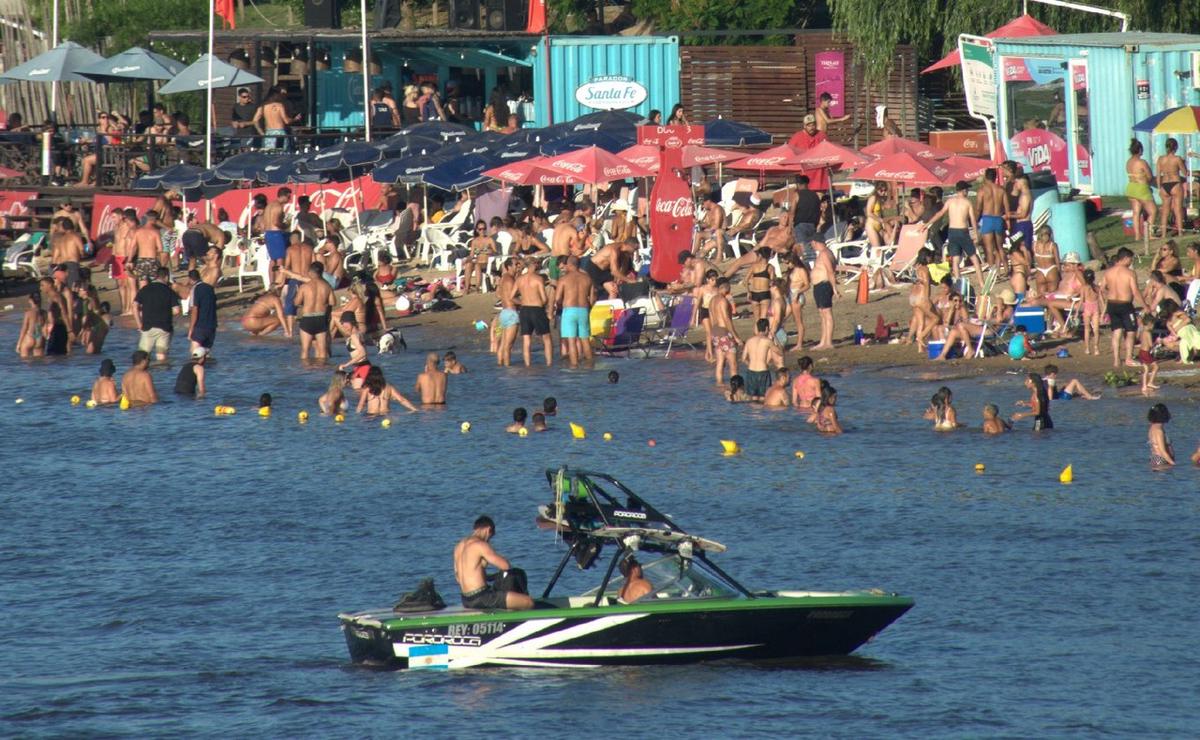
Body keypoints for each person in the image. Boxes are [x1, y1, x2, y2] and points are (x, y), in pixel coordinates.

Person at [454, 515, 534, 611]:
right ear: (488, 530)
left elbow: (458, 578)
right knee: (529, 602)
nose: (489, 539)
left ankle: (511, 604)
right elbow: (506, 566)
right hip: (482, 598)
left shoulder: (459, 547)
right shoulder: (480, 545)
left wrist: (489, 577)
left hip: (466, 599)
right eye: (491, 536)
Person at [924, 180, 983, 296]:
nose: (967, 192)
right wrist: (976, 234)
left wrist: (927, 224)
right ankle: (981, 283)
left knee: (955, 260)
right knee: (974, 257)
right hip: (963, 232)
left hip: (952, 232)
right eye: (966, 190)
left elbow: (940, 214)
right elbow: (972, 220)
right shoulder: (967, 202)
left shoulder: (950, 201)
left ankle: (958, 284)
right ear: (964, 190)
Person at [1104, 248, 1144, 369]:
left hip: (1112, 303)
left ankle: (1116, 360)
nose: (1131, 262)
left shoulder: (1108, 272)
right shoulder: (1129, 273)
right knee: (1131, 331)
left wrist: (1113, 291)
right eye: (1131, 259)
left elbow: (1102, 288)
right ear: (1126, 258)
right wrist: (1145, 305)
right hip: (1125, 305)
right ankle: (1128, 358)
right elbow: (1135, 292)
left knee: (1117, 332)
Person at [555, 256, 595, 367]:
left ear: (569, 264)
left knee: (571, 340)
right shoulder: (587, 278)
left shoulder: (563, 279)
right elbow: (592, 299)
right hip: (583, 310)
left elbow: (557, 298)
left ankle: (574, 366)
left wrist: (560, 306)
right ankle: (590, 365)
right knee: (585, 339)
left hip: (569, 310)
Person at [135, 266, 180, 362]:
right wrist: (165, 312)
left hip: (147, 326)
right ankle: (163, 375)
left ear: (156, 276)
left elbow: (134, 306)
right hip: (164, 327)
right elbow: (176, 310)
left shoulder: (145, 289)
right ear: (167, 277)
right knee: (161, 357)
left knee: (142, 356)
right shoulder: (169, 291)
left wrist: (139, 324)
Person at [514, 258, 553, 367]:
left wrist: (522, 302)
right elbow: (544, 298)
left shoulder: (519, 279)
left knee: (526, 339)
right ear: (534, 265)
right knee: (546, 338)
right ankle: (549, 363)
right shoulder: (538, 279)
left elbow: (512, 297)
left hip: (524, 309)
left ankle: (528, 365)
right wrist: (544, 304)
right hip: (537, 309)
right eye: (538, 263)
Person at [295, 262, 336, 361]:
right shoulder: (327, 286)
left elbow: (296, 302)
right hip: (321, 318)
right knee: (322, 350)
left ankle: (306, 373)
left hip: (307, 318)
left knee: (305, 350)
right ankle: (321, 373)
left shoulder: (304, 287)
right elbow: (333, 302)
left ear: (311, 272)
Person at [741, 319, 783, 401]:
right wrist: (775, 337)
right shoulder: (767, 341)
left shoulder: (749, 341)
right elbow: (780, 352)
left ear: (757, 328)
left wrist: (750, 364)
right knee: (763, 398)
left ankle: (753, 414)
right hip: (763, 372)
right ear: (767, 328)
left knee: (752, 399)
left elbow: (743, 359)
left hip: (751, 371)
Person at [710, 277, 741, 384]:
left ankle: (719, 385)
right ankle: (735, 387)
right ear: (726, 287)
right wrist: (736, 337)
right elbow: (727, 320)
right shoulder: (723, 301)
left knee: (720, 362)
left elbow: (711, 320)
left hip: (715, 332)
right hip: (724, 332)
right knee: (733, 364)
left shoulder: (712, 300)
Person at [1126, 139, 1157, 241]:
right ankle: (1149, 234)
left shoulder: (1129, 162)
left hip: (1131, 187)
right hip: (1141, 188)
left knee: (1136, 213)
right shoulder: (1142, 162)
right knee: (1153, 211)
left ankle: (1137, 235)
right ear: (1139, 150)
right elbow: (1150, 176)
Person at [1156, 138, 1188, 238]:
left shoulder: (1160, 159)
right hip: (1175, 184)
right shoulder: (1177, 159)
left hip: (1164, 185)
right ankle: (1180, 232)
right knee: (1178, 210)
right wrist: (1184, 162)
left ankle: (1164, 234)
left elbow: (1158, 175)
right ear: (1176, 147)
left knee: (1165, 211)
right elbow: (1185, 173)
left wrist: (1158, 187)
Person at [809, 240, 836, 350]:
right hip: (819, 286)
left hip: (824, 285)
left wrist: (834, 288)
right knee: (822, 314)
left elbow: (830, 271)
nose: (811, 246)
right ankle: (823, 341)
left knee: (827, 313)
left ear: (815, 242)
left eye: (812, 244)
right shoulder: (825, 253)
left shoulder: (825, 253)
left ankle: (828, 342)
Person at [262, 188, 291, 280]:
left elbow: (264, 222)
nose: (289, 199)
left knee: (272, 260)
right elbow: (276, 222)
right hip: (276, 234)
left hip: (268, 233)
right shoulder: (278, 207)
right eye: (288, 196)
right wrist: (285, 225)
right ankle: (279, 281)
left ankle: (272, 282)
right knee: (280, 260)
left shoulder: (269, 206)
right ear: (284, 195)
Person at [186, 269, 217, 354]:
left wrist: (191, 329)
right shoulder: (210, 288)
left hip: (200, 326)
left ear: (190, 279)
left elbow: (194, 310)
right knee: (206, 355)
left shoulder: (195, 289)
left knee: (195, 355)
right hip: (211, 326)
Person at [1147, 403, 1175, 468]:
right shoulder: (1159, 431)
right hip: (1162, 460)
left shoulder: (1152, 428)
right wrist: (1173, 464)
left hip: (1156, 459)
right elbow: (1162, 451)